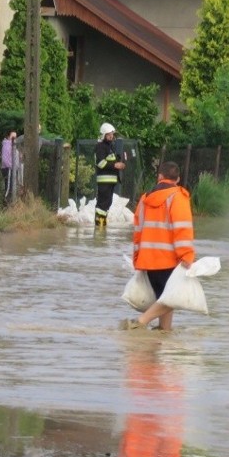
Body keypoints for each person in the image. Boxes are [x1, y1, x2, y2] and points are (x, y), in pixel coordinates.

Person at [123, 161, 195, 331]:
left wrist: (137, 258)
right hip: (168, 260)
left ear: (160, 177)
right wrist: (186, 255)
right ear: (177, 179)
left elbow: (137, 231)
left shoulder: (145, 198)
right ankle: (140, 322)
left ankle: (164, 332)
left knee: (163, 297)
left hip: (148, 259)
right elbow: (182, 229)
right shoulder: (178, 196)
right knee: (172, 299)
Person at [94, 122, 126, 227]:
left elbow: (111, 161)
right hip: (104, 181)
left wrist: (120, 163)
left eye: (112, 134)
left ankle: (102, 224)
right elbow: (100, 163)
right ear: (103, 135)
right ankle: (99, 225)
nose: (111, 137)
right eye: (109, 135)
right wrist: (115, 165)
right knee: (102, 204)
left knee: (107, 203)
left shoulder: (109, 147)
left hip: (110, 181)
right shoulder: (101, 146)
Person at [1, 130, 21, 202]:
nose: (14, 138)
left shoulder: (13, 145)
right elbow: (5, 159)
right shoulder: (7, 144)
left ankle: (11, 202)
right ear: (9, 136)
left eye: (15, 137)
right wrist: (11, 167)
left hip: (13, 169)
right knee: (9, 187)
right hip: (9, 169)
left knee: (12, 187)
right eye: (13, 137)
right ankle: (6, 202)